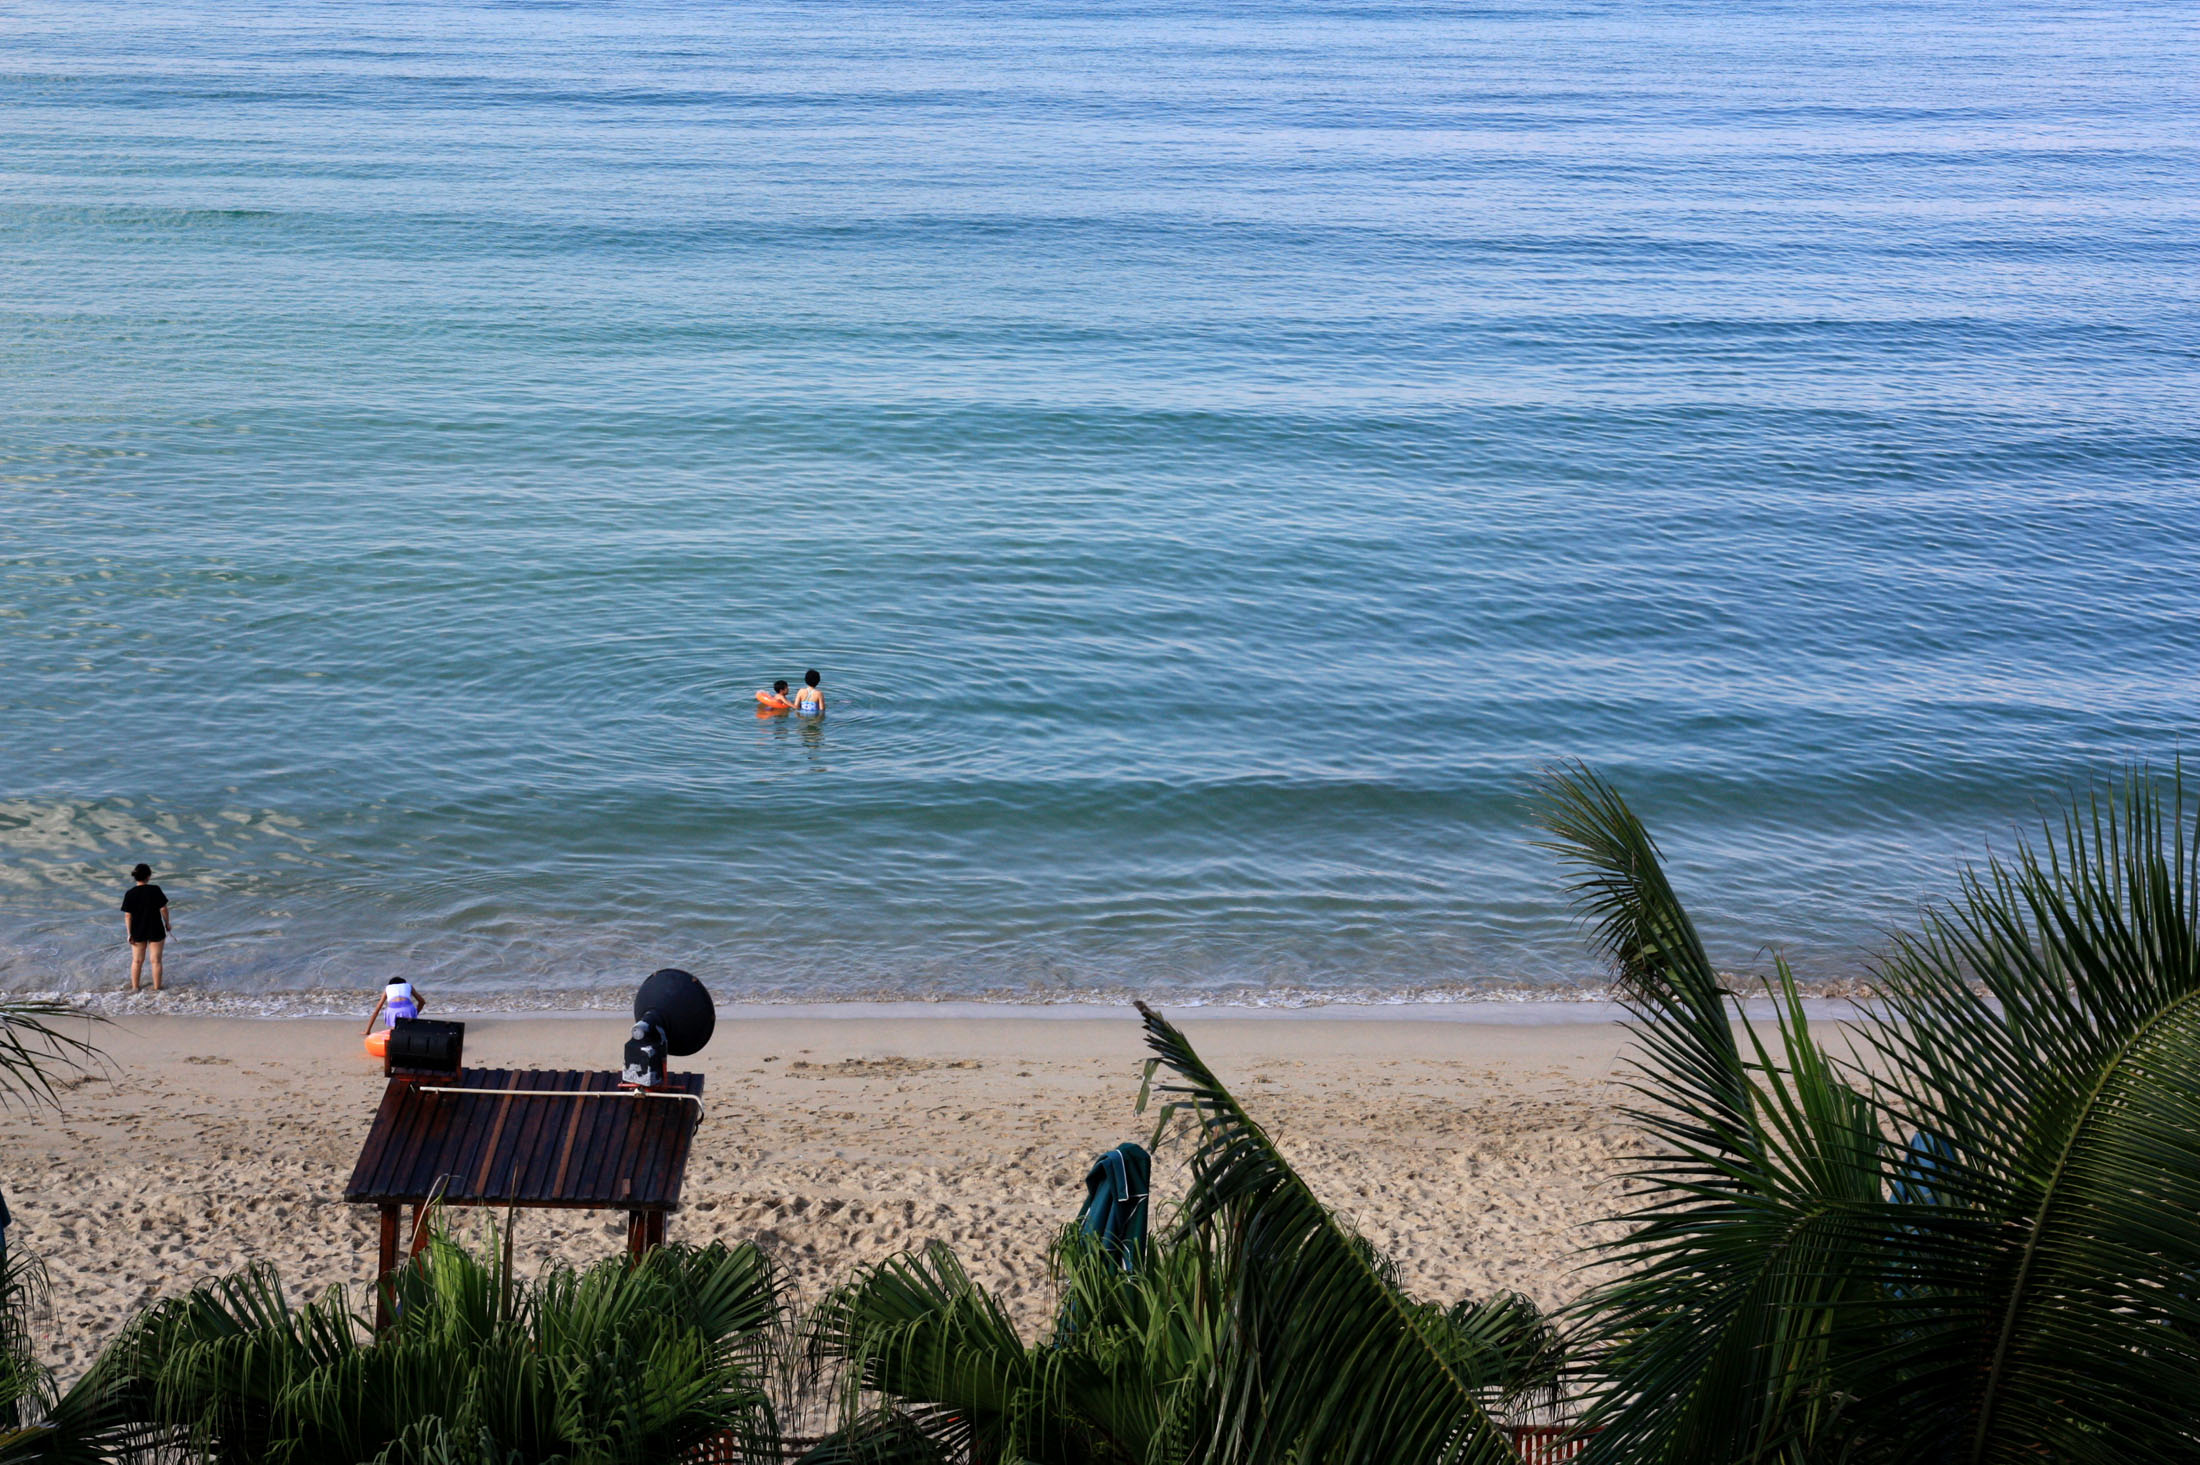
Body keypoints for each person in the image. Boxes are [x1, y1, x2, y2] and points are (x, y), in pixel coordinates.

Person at [121, 863, 170, 993]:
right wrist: (167, 923)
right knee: (156, 961)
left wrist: (129, 933)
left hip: (137, 930)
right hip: (156, 928)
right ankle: (157, 989)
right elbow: (163, 908)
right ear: (148, 876)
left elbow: (127, 916)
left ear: (136, 877)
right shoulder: (155, 889)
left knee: (137, 961)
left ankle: (135, 988)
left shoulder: (130, 893)